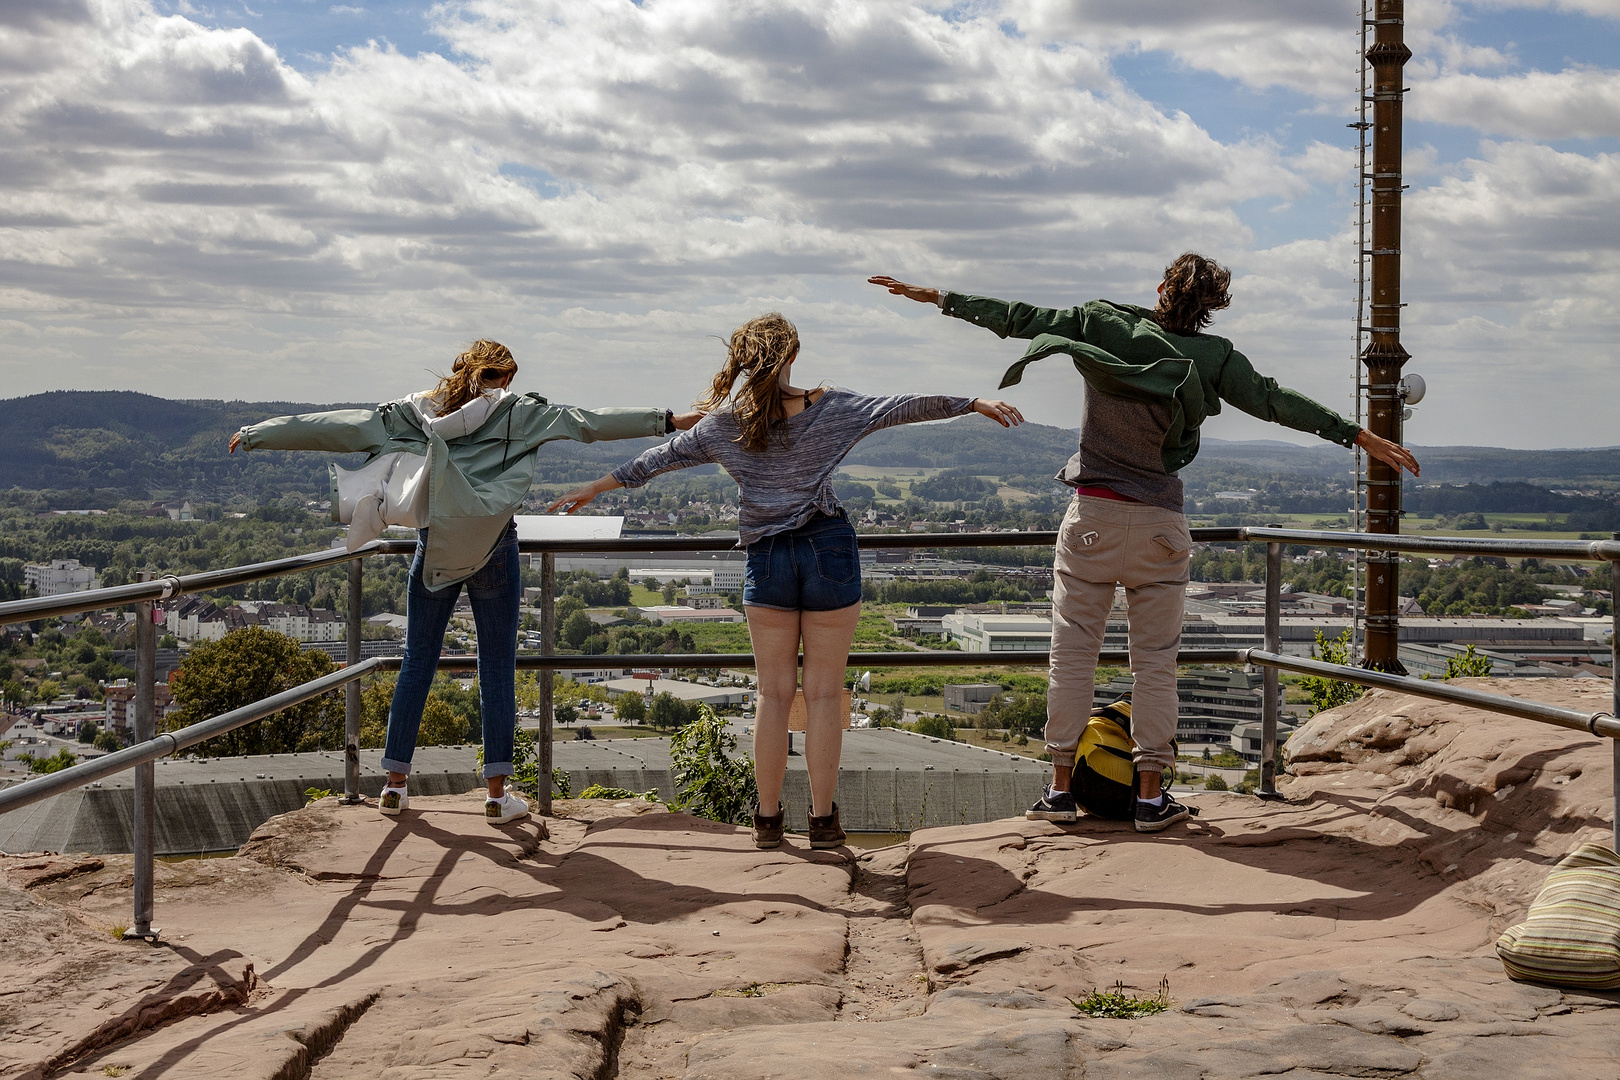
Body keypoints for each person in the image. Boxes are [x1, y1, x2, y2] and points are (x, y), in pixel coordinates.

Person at [870, 255, 1419, 832]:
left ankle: (1059, 790)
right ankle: (1151, 798)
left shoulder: (1101, 322)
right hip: (1160, 521)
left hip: (1093, 519)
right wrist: (1356, 435)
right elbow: (1274, 400)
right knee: (1155, 665)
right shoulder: (1215, 358)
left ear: (1161, 287)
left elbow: (1020, 318)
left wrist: (938, 297)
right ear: (1212, 307)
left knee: (1072, 656)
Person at [549, 313, 1024, 849]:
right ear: (792, 354)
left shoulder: (723, 423)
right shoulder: (833, 407)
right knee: (823, 695)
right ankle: (823, 821)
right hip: (830, 550)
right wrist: (972, 402)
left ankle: (768, 820)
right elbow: (903, 407)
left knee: (773, 696)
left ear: (740, 360)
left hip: (766, 557)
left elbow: (657, 460)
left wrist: (595, 487)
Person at [230, 340, 700, 825]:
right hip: (494, 544)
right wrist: (665, 420)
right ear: (506, 377)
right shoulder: (519, 413)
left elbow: (340, 427)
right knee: (496, 669)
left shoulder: (418, 413)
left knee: (416, 664)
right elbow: (590, 423)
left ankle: (394, 785)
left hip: (436, 548)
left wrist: (257, 432)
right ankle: (497, 797)